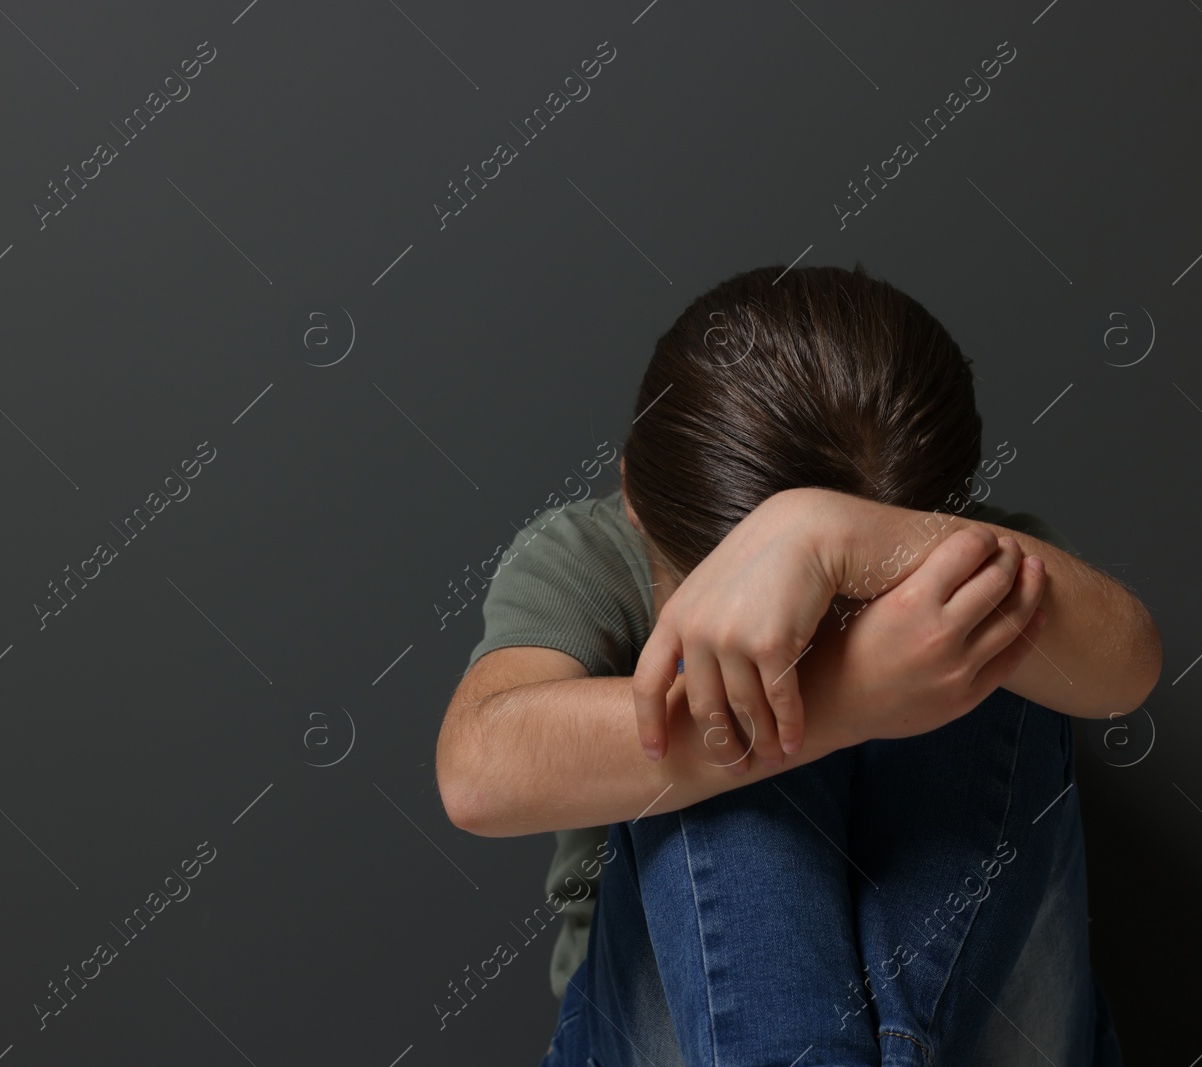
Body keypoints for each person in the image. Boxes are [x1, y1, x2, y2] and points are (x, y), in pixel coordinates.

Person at [436, 264, 1159, 1065]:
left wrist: (824, 534)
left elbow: (1128, 667)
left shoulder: (952, 541)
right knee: (723, 694)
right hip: (666, 1034)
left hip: (986, 1033)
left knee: (989, 615)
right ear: (633, 497)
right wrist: (841, 698)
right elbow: (477, 773)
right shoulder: (594, 553)